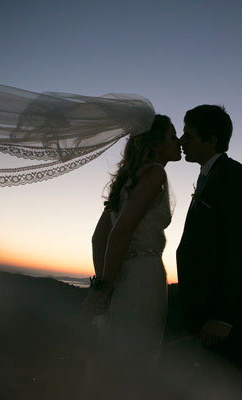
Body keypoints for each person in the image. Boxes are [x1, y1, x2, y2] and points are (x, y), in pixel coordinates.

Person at [82, 114, 181, 398]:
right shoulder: (154, 174)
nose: (179, 143)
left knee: (118, 355)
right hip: (143, 277)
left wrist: (104, 282)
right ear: (156, 143)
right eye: (173, 137)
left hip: (122, 274)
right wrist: (105, 289)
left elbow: (99, 237)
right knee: (139, 357)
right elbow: (120, 232)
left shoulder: (126, 180)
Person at [176, 105, 242, 390]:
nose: (181, 141)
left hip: (226, 317)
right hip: (209, 311)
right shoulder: (211, 175)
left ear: (211, 139)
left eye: (188, 135)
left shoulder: (232, 175)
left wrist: (225, 318)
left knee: (232, 387)